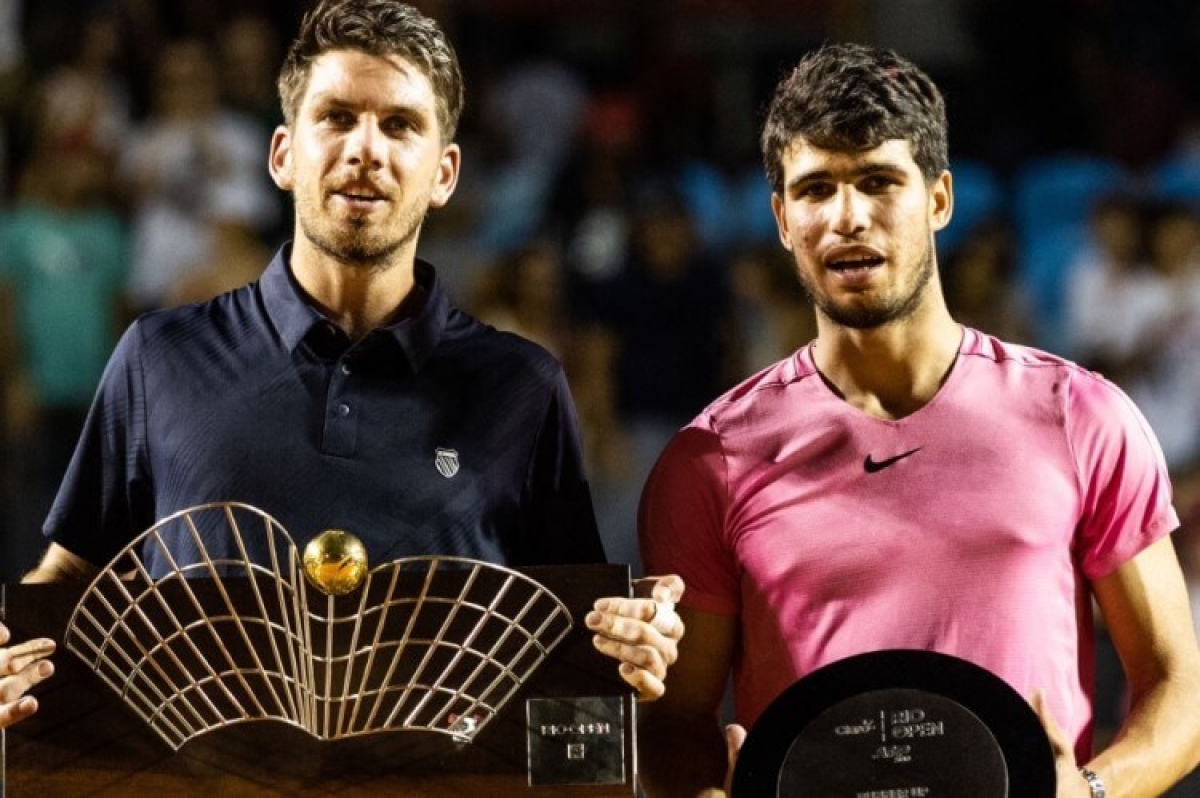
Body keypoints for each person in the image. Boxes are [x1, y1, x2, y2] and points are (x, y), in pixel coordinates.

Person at [4, 0, 682, 730]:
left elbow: (570, 630)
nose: (366, 148)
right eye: (335, 117)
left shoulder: (522, 385)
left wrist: (633, 642)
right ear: (282, 156)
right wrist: (12, 655)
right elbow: (69, 578)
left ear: (445, 172)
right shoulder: (159, 357)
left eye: (400, 124)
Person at [638, 42, 1200, 797]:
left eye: (878, 181)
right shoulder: (710, 459)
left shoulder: (1080, 416)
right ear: (780, 218)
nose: (847, 217)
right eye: (815, 190)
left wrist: (1090, 794)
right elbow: (675, 722)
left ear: (938, 198)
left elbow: (1181, 692)